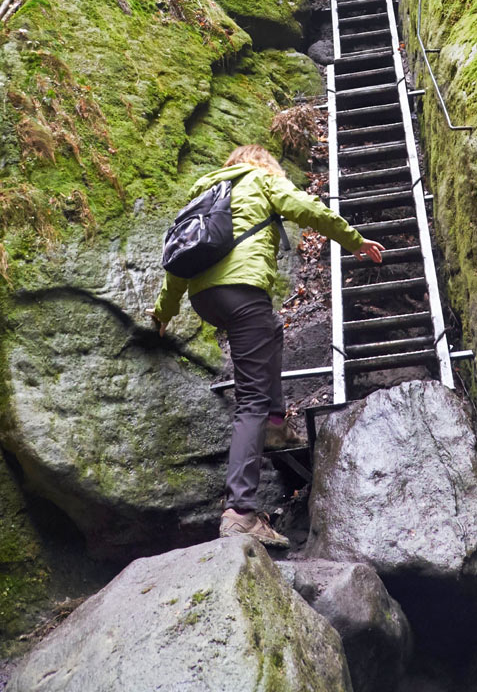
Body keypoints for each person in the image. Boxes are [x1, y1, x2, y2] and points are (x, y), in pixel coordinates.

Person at [148, 143, 383, 548]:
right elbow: (308, 209)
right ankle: (241, 512)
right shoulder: (262, 180)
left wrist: (163, 312)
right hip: (242, 293)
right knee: (250, 401)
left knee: (271, 329)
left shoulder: (205, 194)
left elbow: (179, 263)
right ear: (265, 165)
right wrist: (354, 240)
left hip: (207, 299)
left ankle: (275, 427)